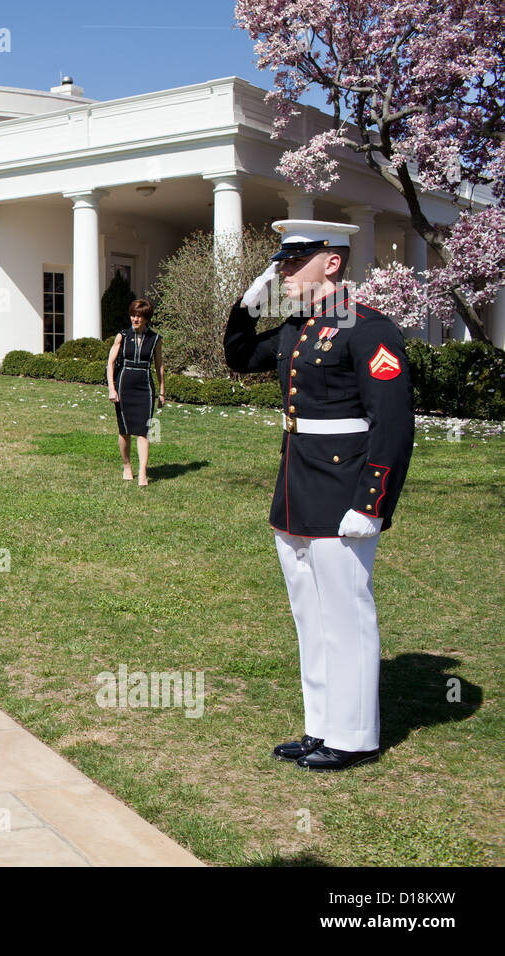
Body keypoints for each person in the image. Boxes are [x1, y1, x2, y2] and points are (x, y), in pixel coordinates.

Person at [224, 219, 414, 772]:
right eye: (280, 263)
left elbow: (393, 425)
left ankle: (355, 735)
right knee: (311, 614)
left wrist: (372, 503)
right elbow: (240, 358)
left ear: (330, 262)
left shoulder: (369, 328)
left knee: (346, 613)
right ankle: (321, 727)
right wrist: (246, 305)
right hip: (298, 485)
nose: (281, 272)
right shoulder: (298, 327)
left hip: (344, 490)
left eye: (292, 262)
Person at [107, 298, 165, 486]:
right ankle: (127, 466)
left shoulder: (155, 339)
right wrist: (111, 388)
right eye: (133, 315)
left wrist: (162, 391)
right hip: (124, 385)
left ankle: (142, 473)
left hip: (145, 387)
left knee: (144, 430)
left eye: (139, 316)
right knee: (124, 430)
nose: (135, 319)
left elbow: (159, 365)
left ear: (146, 318)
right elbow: (110, 363)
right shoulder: (122, 336)